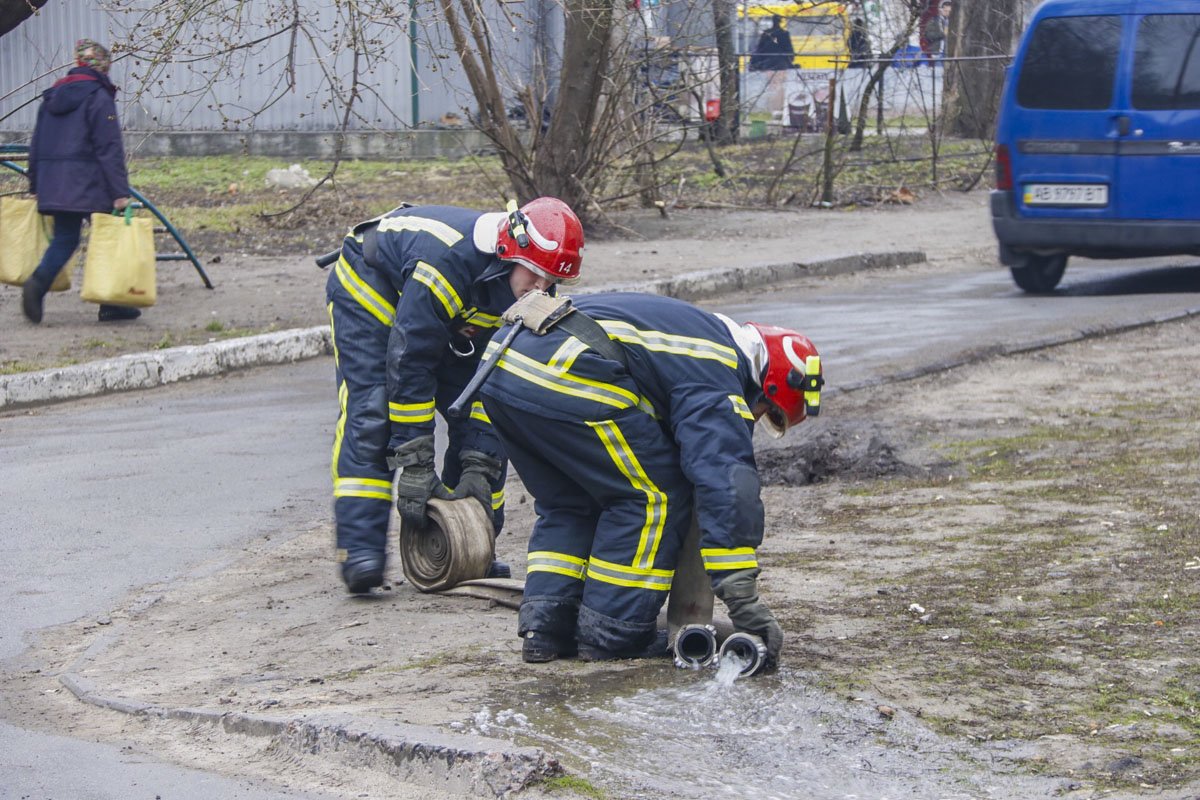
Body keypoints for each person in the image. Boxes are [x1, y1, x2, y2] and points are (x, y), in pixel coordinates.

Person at [474, 292, 822, 664]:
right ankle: (611, 632)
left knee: (570, 503)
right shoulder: (717, 363)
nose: (754, 420)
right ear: (767, 385)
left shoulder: (695, 334)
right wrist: (742, 597)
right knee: (654, 494)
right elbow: (725, 482)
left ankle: (545, 628)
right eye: (766, 411)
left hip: (502, 370)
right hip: (564, 373)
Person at [325, 199, 585, 594]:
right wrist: (415, 462)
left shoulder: (530, 291)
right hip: (374, 281)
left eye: (551, 280)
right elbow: (410, 360)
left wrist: (478, 467)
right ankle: (360, 550)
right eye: (534, 274)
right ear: (508, 253)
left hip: (451, 312)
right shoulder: (449, 261)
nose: (540, 288)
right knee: (373, 409)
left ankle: (467, 546)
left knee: (494, 411)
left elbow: (493, 388)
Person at [22, 39, 141, 325]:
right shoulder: (99, 97)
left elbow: (36, 143)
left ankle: (36, 285)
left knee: (66, 237)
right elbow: (108, 148)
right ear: (103, 66)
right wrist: (119, 192)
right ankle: (111, 304)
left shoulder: (52, 96)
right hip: (89, 183)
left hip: (56, 183)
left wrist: (35, 185)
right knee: (106, 237)